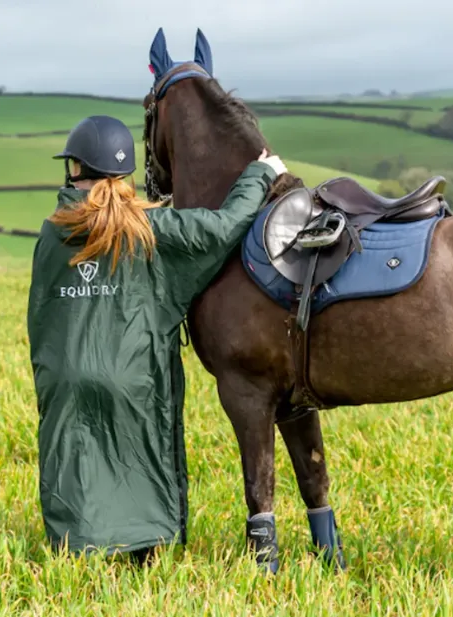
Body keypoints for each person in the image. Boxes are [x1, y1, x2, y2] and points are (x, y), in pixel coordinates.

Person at [26, 114, 286, 564]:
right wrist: (261, 174)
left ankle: (77, 548)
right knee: (141, 454)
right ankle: (145, 546)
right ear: (123, 173)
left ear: (75, 169)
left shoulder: (53, 232)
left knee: (75, 453)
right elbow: (223, 228)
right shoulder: (150, 229)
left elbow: (41, 312)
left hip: (66, 374)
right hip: (135, 374)